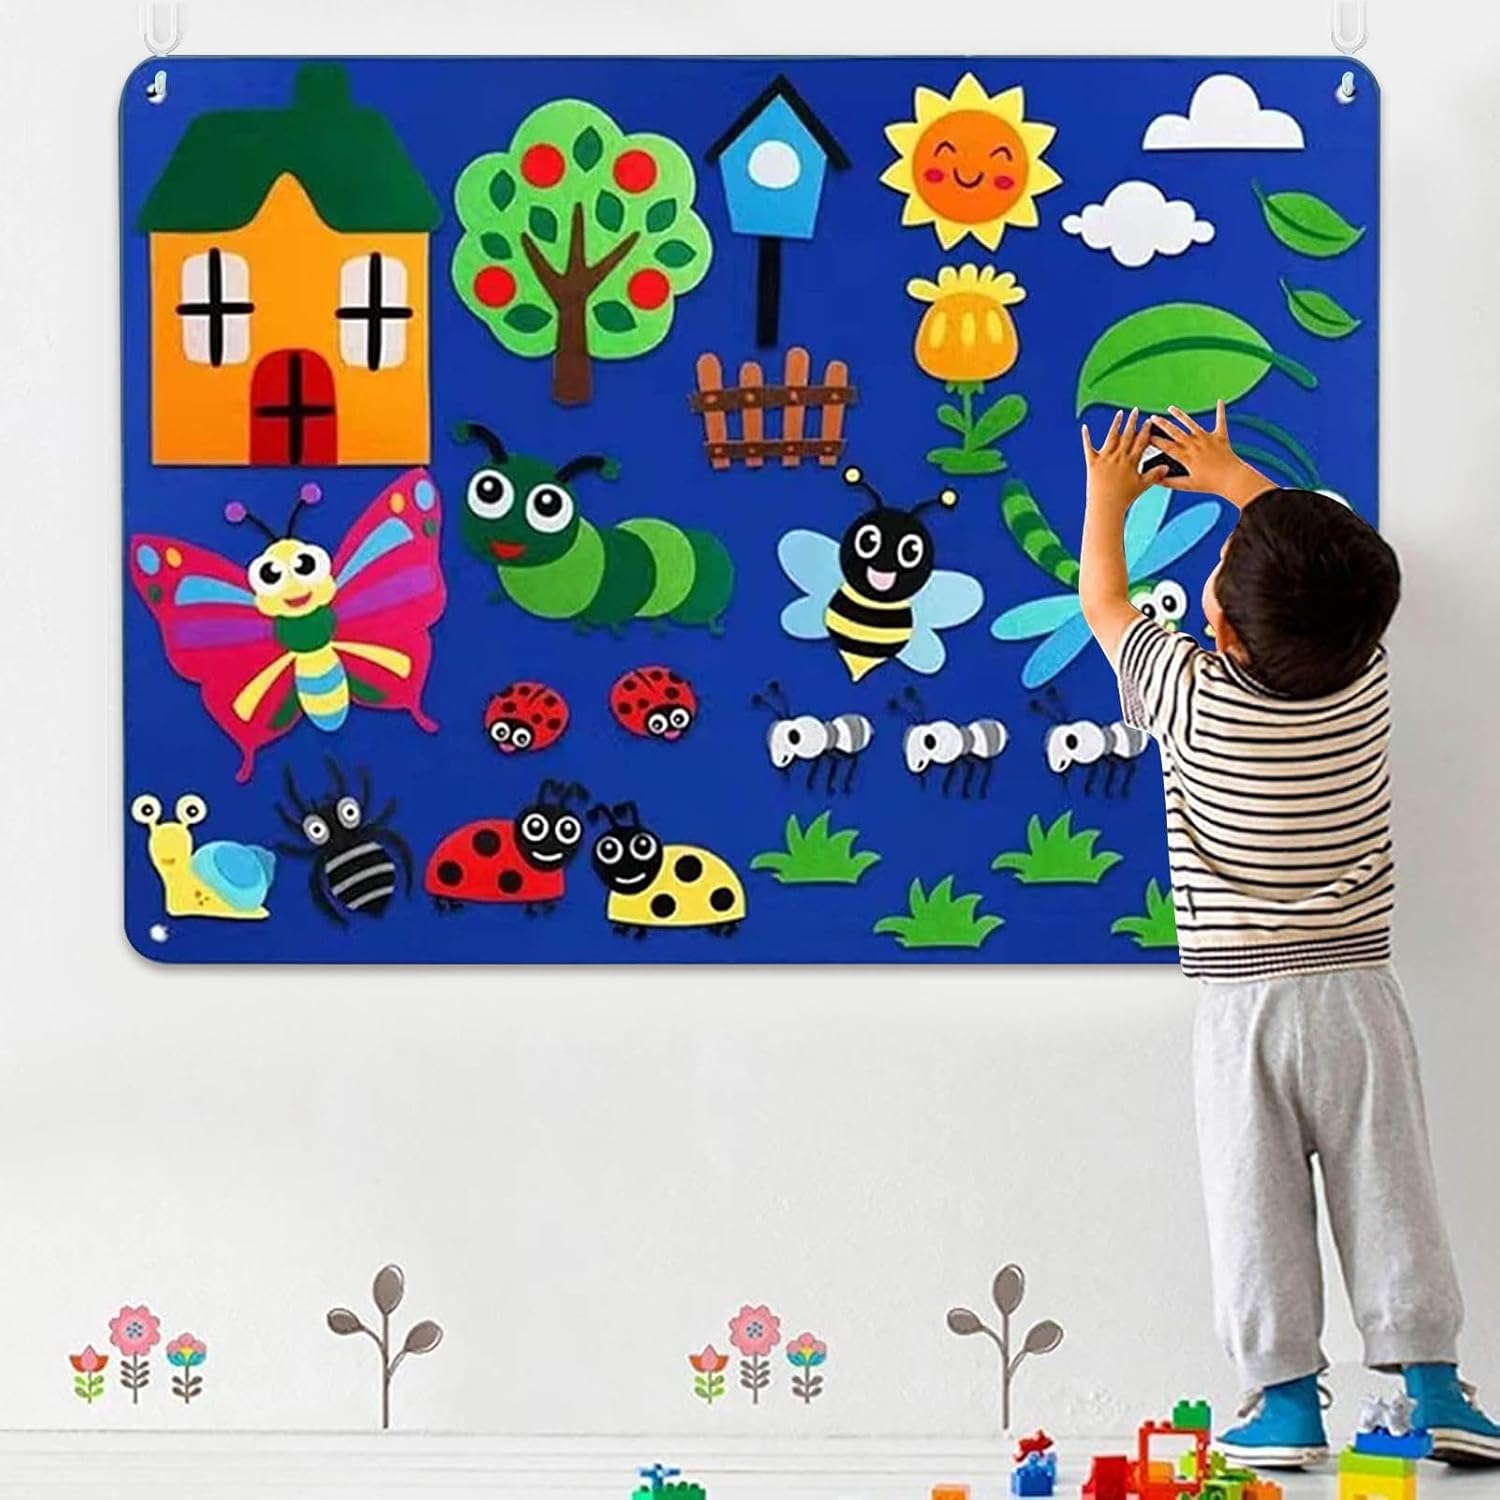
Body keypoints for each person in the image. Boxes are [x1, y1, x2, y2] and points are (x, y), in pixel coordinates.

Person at [1074, 404, 1500, 1469]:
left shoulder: (1188, 694)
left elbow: (1105, 603)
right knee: (1391, 1185)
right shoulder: (1362, 680)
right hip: (1358, 991)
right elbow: (1321, 571)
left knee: (1252, 1198)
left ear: (1219, 631)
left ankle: (1284, 1397)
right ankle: (1433, 1381)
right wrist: (1237, 480)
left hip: (1244, 1007)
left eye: (1222, 566)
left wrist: (1108, 499)